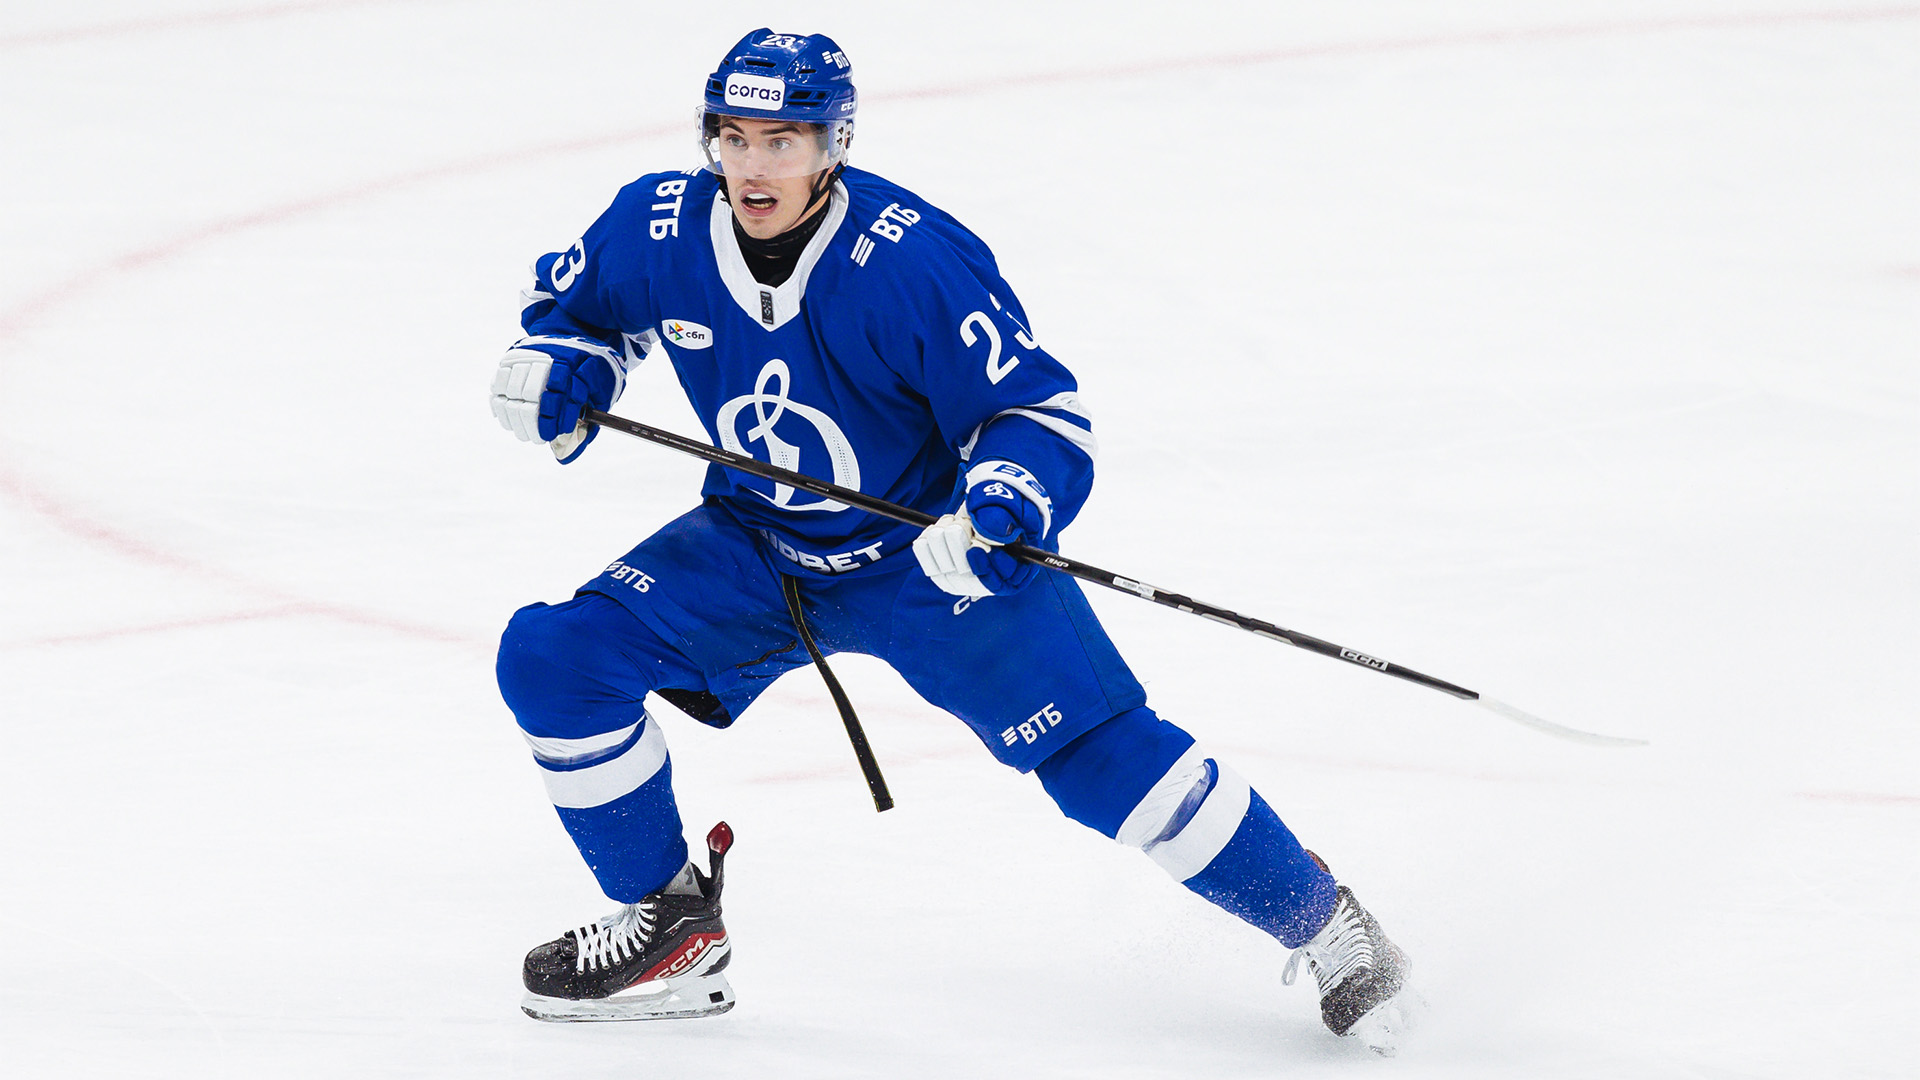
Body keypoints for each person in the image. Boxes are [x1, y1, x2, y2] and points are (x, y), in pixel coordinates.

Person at [489, 28, 1416, 1050]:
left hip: (928, 558)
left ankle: (1330, 926)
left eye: (782, 141)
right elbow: (576, 315)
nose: (753, 166)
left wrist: (999, 505)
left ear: (833, 146)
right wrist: (564, 367)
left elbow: (1035, 414)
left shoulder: (911, 260)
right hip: (757, 543)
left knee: (1101, 759)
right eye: (735, 137)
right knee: (556, 659)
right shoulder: (657, 226)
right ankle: (671, 926)